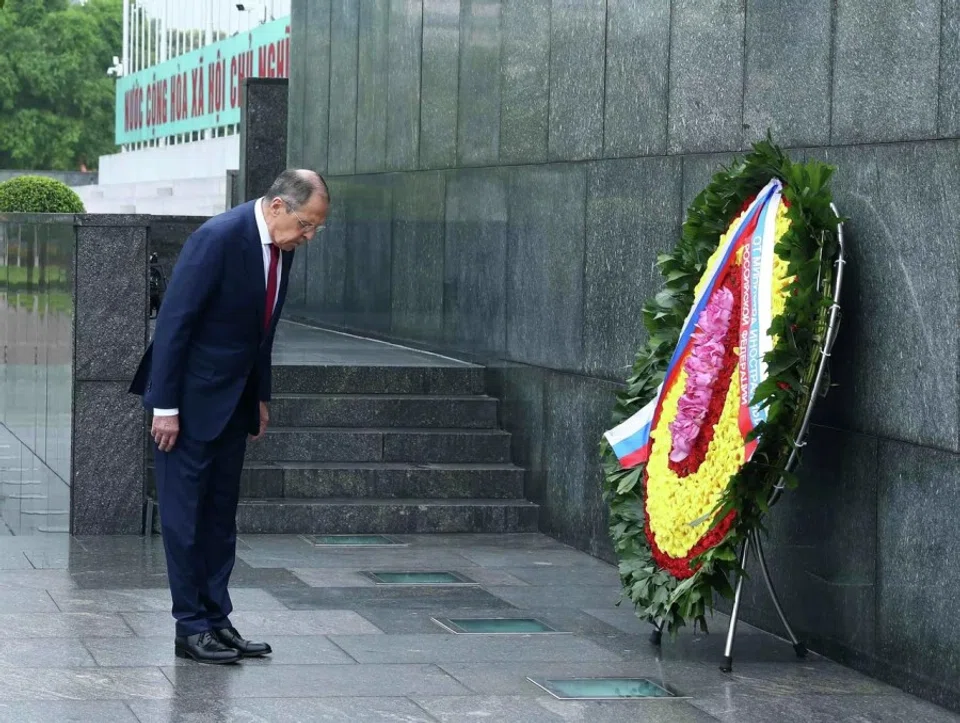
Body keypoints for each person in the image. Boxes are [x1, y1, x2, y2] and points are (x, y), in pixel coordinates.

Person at [129, 169, 330, 664]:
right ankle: (190, 627)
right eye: (306, 224)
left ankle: (217, 620)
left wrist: (259, 396)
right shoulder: (218, 238)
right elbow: (174, 324)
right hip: (188, 405)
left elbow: (260, 330)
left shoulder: (282, 250)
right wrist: (166, 406)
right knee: (184, 520)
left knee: (219, 520)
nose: (308, 237)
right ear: (278, 206)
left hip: (234, 403)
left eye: (316, 230)